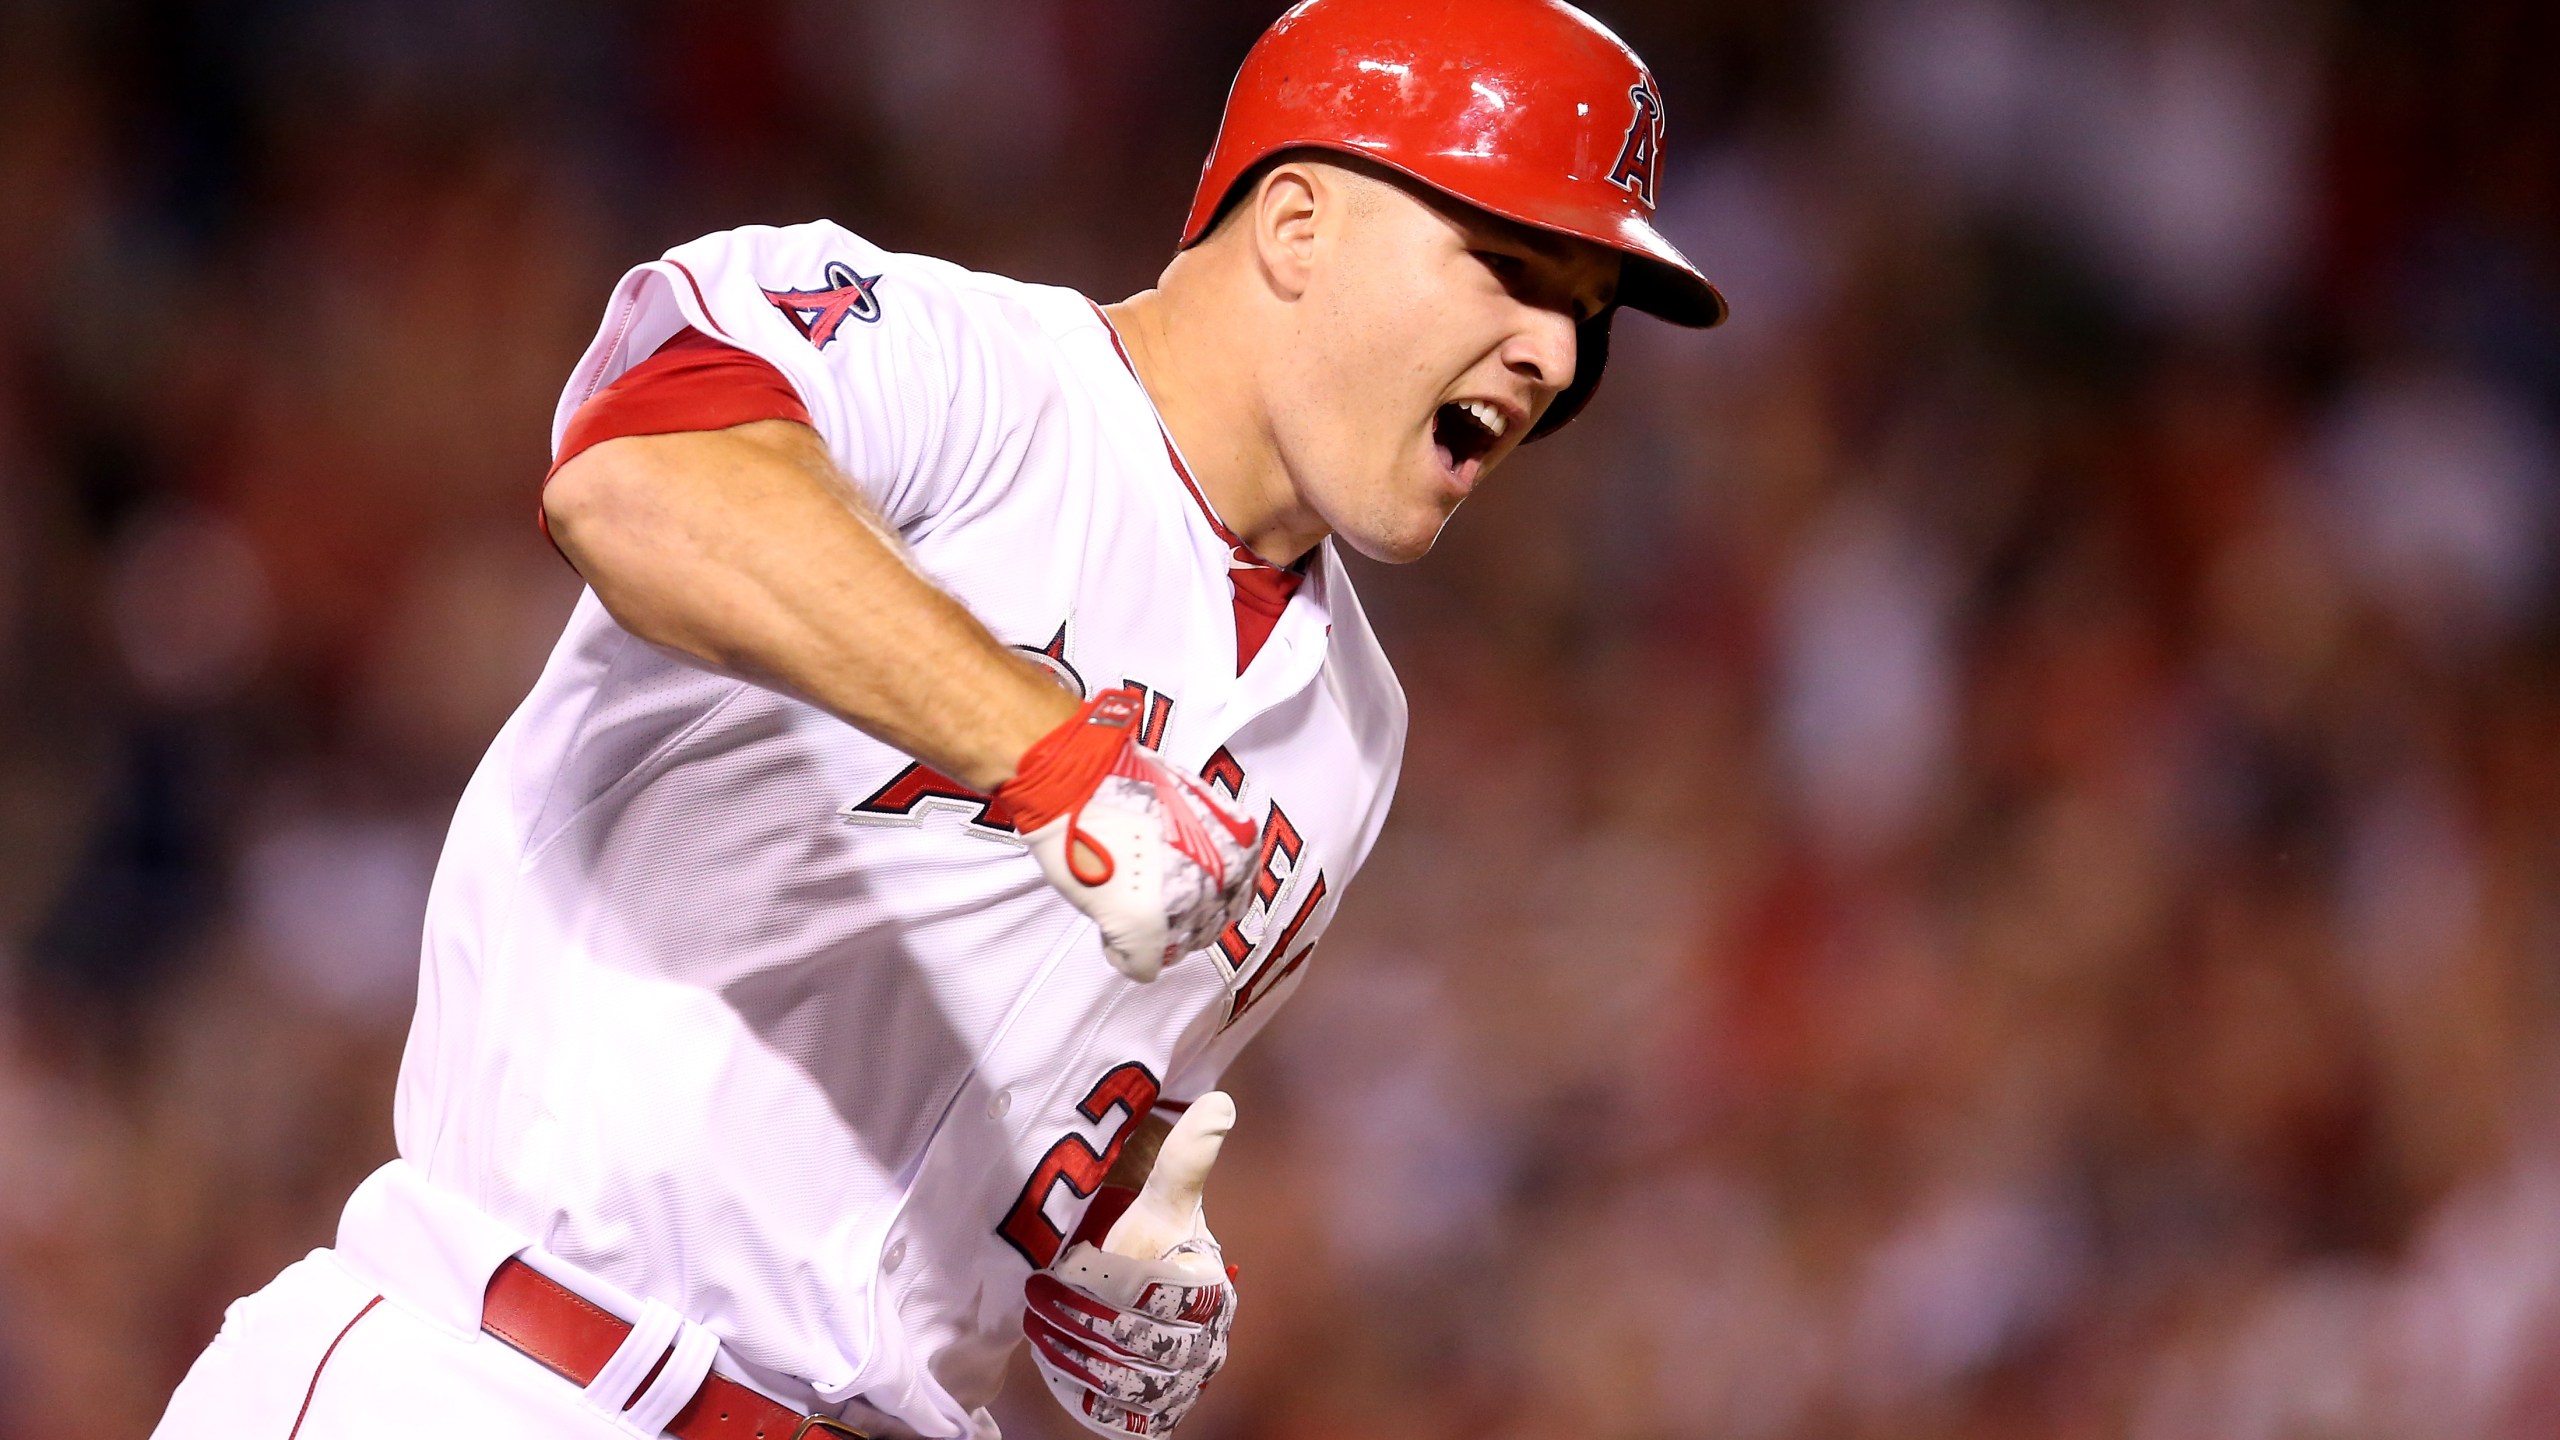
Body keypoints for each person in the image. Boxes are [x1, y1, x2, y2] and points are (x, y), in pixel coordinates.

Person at [151, 1, 1725, 1436]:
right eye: (1516, 268)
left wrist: (1101, 1272)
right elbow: (639, 478)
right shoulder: (957, 367)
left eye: (1585, 314)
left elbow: (1042, 1110)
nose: (1557, 351)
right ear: (1298, 221)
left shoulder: (1353, 739)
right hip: (496, 1379)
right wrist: (1046, 755)